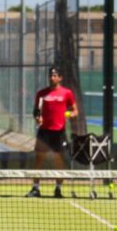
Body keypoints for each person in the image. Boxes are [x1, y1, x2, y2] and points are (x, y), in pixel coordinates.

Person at [26, 66, 77, 198]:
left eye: (55, 75)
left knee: (59, 161)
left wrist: (70, 114)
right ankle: (35, 188)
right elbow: (36, 112)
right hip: (44, 132)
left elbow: (75, 110)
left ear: (60, 78)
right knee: (39, 159)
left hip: (59, 132)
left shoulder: (67, 93)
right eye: (51, 75)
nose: (52, 77)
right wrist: (38, 118)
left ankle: (58, 189)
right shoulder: (41, 94)